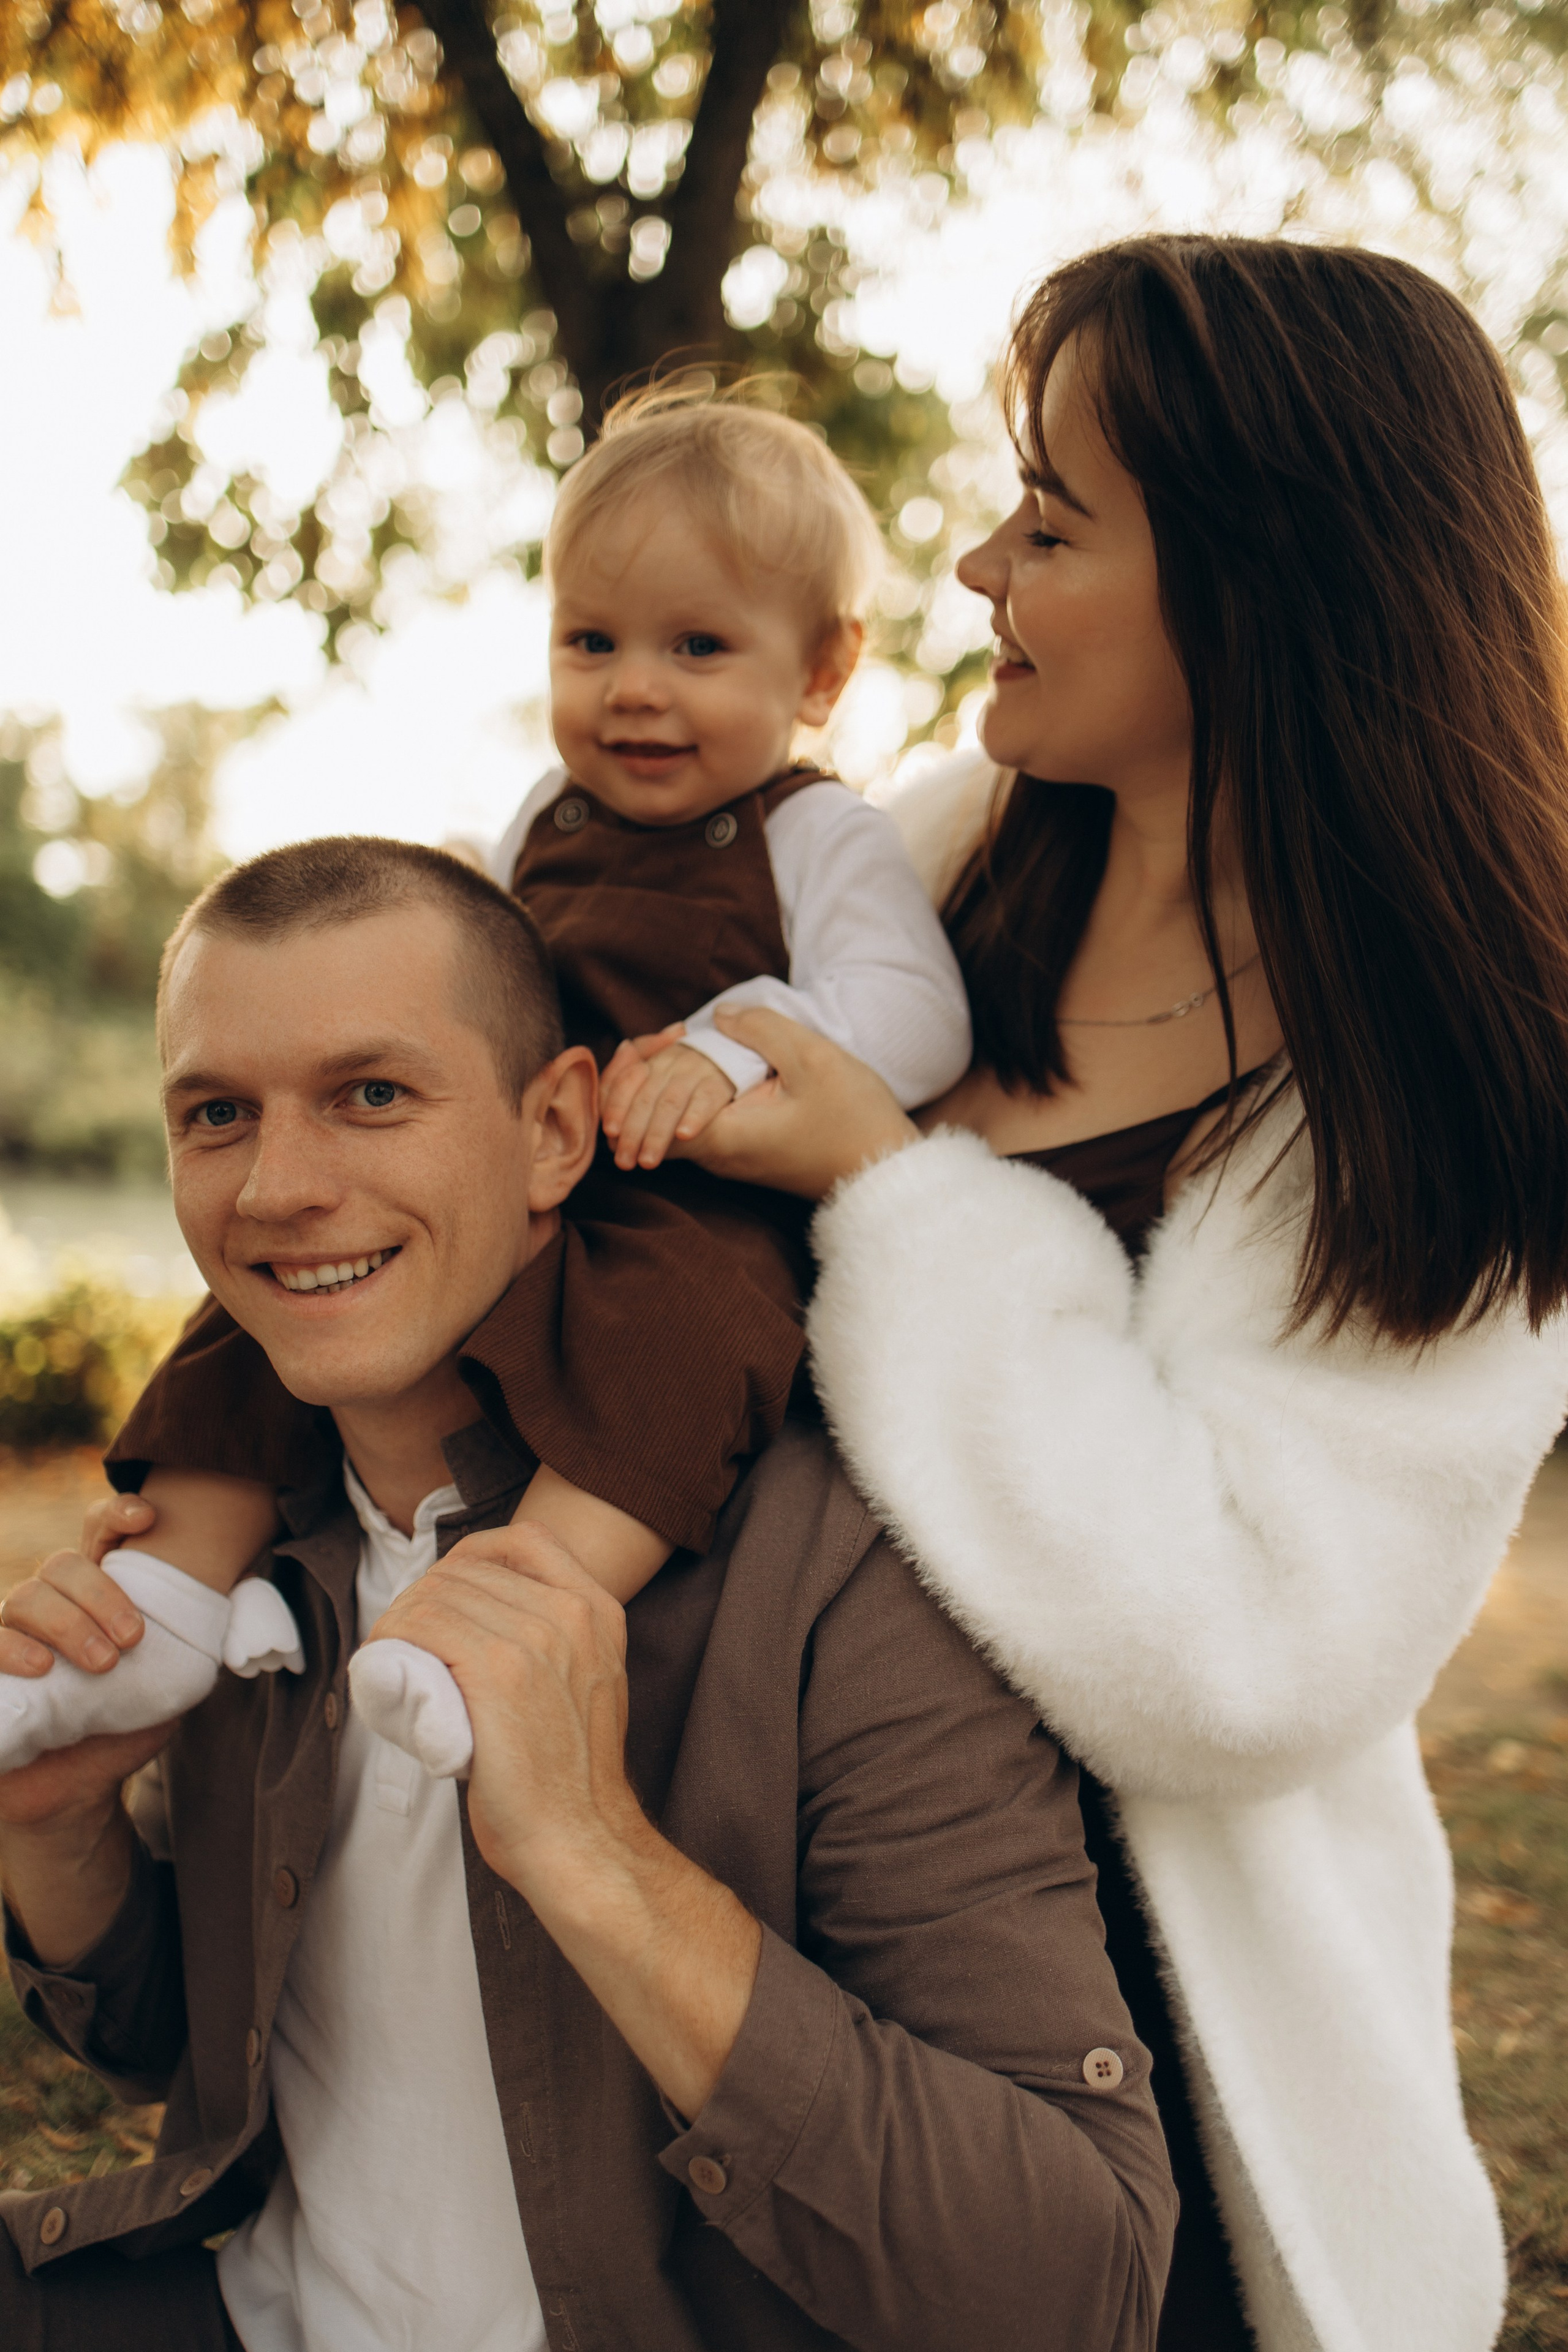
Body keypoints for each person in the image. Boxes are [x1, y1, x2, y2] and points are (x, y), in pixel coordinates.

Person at [668, 238, 1568, 2351]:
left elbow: (1241, 1654)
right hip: (749, 1942)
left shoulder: (1463, 1081)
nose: (978, 563)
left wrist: (891, 1196)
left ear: (1266, 581)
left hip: (1128, 2065)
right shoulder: (929, 875)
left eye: (1052, 523)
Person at [0, 839, 1174, 2351]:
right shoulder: (247, 1544)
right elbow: (182, 2048)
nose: (280, 1188)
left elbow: (1076, 2287)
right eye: (217, 1114)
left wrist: (596, 1854)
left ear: (555, 1128)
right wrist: (54, 1830)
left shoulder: (842, 1572)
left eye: (372, 1095)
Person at [0, 390, 971, 1782]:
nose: (634, 686)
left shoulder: (816, 831)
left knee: (686, 1346)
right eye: (592, 642)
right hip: (538, 1180)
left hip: (704, 1208)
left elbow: (914, 1016)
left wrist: (733, 1041)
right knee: (270, 1286)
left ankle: (499, 1620)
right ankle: (163, 1604)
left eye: (697, 646)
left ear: (820, 672)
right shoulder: (542, 818)